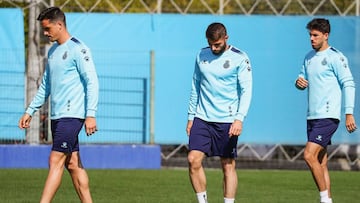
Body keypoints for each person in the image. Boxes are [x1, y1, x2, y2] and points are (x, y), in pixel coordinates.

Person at [18, 7, 99, 203]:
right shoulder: (53, 52)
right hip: (57, 116)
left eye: (47, 29)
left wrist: (90, 114)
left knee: (55, 160)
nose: (45, 33)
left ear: (59, 25)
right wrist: (30, 110)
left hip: (72, 116)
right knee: (72, 164)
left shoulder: (78, 49)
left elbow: (92, 81)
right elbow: (46, 85)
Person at [186, 22, 252, 203]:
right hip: (202, 118)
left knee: (228, 165)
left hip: (227, 120)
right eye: (211, 44)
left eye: (218, 44)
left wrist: (239, 119)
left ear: (226, 38)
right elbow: (195, 86)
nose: (214, 48)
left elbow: (246, 90)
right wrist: (191, 117)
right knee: (193, 160)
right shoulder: (201, 54)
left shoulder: (240, 58)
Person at [295, 18, 357, 203]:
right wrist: (299, 82)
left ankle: (324, 199)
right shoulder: (308, 57)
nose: (311, 39)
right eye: (310, 35)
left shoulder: (336, 57)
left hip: (328, 116)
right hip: (312, 115)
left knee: (308, 155)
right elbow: (302, 77)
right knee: (321, 162)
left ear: (326, 35)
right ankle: (328, 199)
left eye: (315, 35)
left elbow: (349, 83)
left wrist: (348, 113)